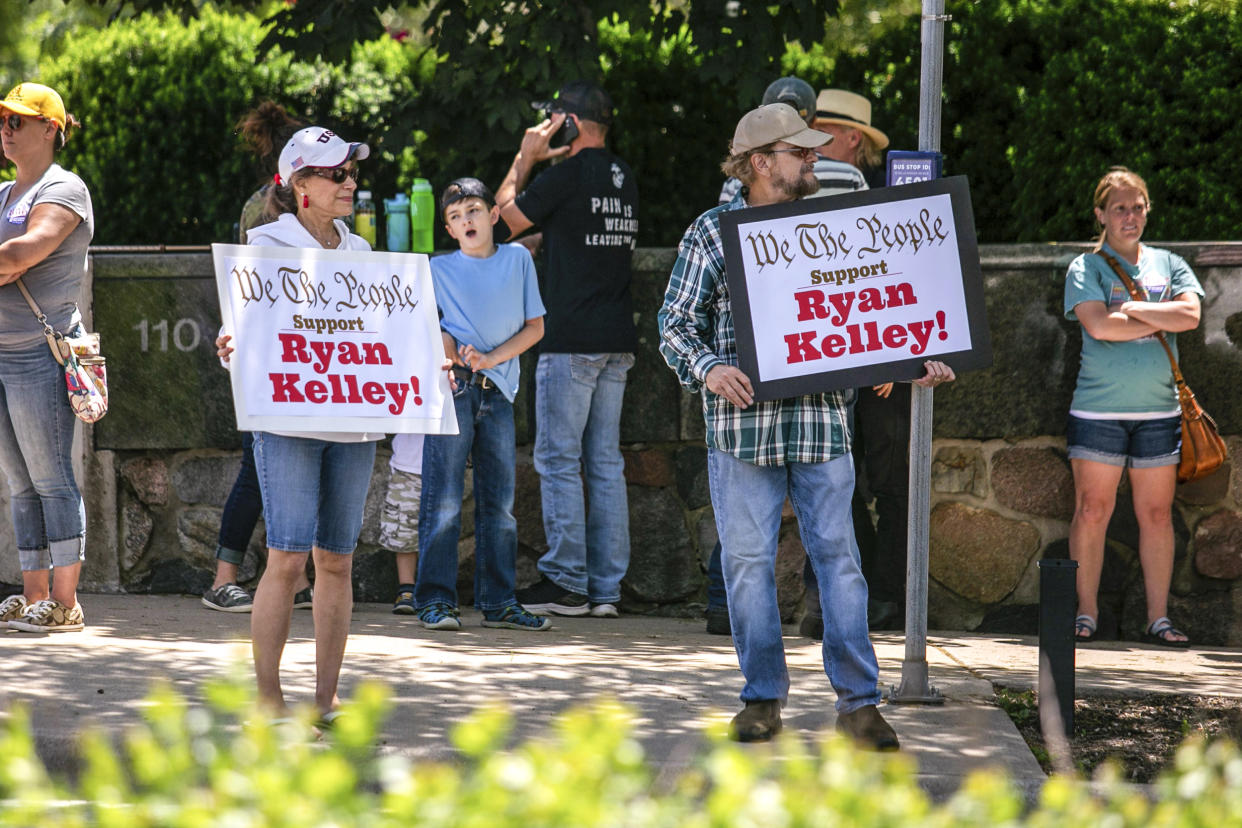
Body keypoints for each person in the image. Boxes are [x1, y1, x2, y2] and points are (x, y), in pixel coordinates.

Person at [659, 103, 953, 747]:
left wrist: (913, 357)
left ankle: (858, 705)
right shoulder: (712, 233)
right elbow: (674, 325)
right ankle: (762, 700)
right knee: (746, 566)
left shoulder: (833, 228)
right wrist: (708, 368)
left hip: (822, 424)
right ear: (761, 163)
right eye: (801, 152)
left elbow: (860, 314)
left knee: (841, 563)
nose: (815, 159)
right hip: (743, 432)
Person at [218, 125, 380, 718]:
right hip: (285, 420)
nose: (350, 183)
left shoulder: (362, 254)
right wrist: (230, 342)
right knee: (286, 557)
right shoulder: (263, 247)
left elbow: (381, 337)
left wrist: (420, 358)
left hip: (353, 422)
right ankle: (268, 697)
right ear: (301, 185)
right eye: (337, 174)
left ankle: (327, 696)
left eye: (352, 173)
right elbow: (240, 331)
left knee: (336, 559)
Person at [497, 81, 638, 619]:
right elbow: (581, 236)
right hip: (616, 339)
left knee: (558, 459)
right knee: (604, 463)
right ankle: (606, 589)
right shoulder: (625, 177)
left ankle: (566, 581)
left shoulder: (565, 176)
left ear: (572, 124)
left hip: (570, 341)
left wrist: (524, 157)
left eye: (555, 121)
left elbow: (501, 219)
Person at [1065, 167, 1201, 648]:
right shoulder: (1086, 268)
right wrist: (1156, 317)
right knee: (1092, 510)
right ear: (1100, 213)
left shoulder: (1170, 263)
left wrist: (1134, 312)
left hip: (1159, 412)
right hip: (1098, 411)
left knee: (1157, 515)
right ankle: (1085, 614)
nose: (1130, 216)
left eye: (1137, 206)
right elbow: (1099, 327)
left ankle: (1158, 620)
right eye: (1119, 208)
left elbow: (1191, 314)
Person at [413, 177, 551, 632]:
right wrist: (451, 352)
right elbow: (431, 326)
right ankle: (435, 601)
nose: (465, 220)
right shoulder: (436, 269)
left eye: (473, 210)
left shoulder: (517, 260)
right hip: (454, 389)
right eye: (455, 216)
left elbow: (536, 328)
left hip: (500, 391)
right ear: (449, 231)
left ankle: (499, 602)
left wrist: (492, 359)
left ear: (494, 215)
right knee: (444, 498)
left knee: (500, 504)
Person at [202, 101, 313, 613]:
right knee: (258, 465)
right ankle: (226, 576)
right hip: (270, 356)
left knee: (279, 467)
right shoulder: (265, 211)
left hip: (292, 358)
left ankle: (288, 577)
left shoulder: (261, 203)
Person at [0, 82, 92, 633]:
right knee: (19, 482)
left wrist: (13, 261)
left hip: (41, 352)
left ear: (50, 129)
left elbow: (24, 251)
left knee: (53, 478)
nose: (6, 128)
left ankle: (65, 602)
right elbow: (8, 261)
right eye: (3, 119)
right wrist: (8, 264)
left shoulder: (66, 189)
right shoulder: (3, 192)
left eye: (18, 119)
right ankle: (34, 594)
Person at [384, 432, 424, 614]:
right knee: (403, 533)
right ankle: (406, 588)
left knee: (442, 531)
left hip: (447, 465)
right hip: (407, 464)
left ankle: (436, 593)